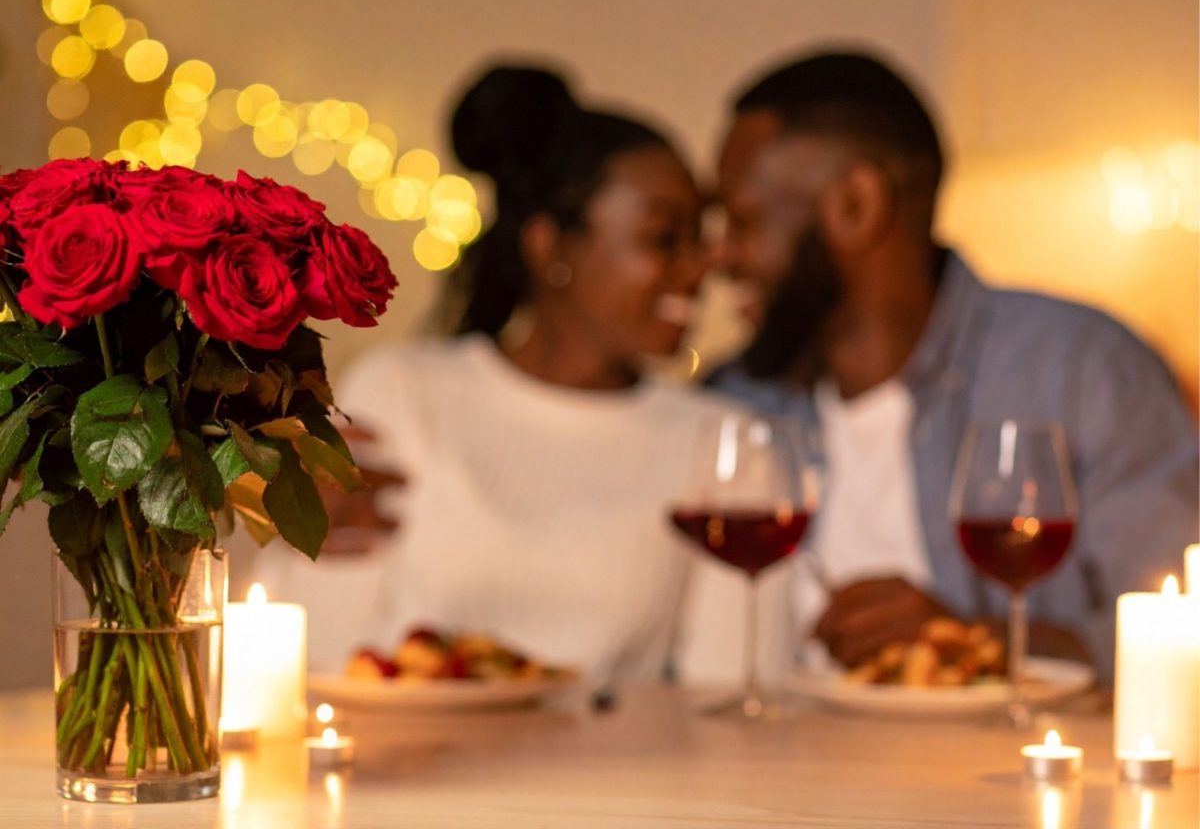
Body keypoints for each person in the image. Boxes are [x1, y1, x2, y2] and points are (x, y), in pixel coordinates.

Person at [256, 66, 771, 689]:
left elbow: (730, 696)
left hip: (618, 755)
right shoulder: (403, 393)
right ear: (550, 246)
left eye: (701, 241)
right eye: (666, 238)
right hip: (398, 748)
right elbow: (320, 655)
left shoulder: (722, 443)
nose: (700, 269)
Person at [707, 49, 1199, 680]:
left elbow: (1183, 634)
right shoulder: (738, 399)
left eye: (742, 221)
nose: (719, 258)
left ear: (856, 204)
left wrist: (970, 644)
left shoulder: (1081, 369)